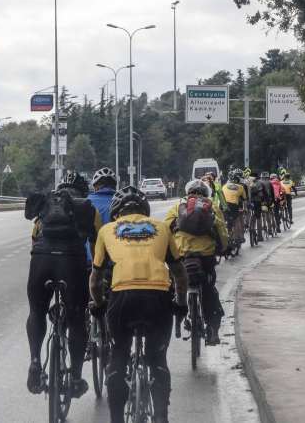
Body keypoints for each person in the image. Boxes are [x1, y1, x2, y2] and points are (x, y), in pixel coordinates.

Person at [89, 186, 188, 423]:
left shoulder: (106, 230)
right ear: (145, 210)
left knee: (119, 356)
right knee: (157, 359)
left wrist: (100, 303)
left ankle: (116, 419)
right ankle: (161, 417)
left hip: (122, 298)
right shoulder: (161, 227)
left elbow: (95, 279)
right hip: (157, 297)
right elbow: (180, 274)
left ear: (116, 212)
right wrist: (181, 304)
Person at [24, 172, 102, 398]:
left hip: (41, 260)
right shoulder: (87, 207)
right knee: (77, 319)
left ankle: (35, 362)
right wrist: (98, 272)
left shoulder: (46, 206)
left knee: (36, 312)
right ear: (83, 191)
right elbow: (98, 246)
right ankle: (76, 378)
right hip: (71, 262)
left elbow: (34, 237)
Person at [164, 179, 228, 345]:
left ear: (188, 193)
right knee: (208, 288)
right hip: (205, 257)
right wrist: (223, 249)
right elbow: (222, 233)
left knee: (174, 286)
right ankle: (213, 330)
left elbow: (164, 231)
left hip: (182, 255)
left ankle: (177, 317)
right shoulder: (212, 206)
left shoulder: (177, 208)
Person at [221, 169, 247, 244]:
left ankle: (227, 235)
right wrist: (245, 209)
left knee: (225, 220)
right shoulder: (241, 187)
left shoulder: (224, 186)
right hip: (234, 205)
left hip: (224, 205)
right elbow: (245, 200)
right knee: (236, 220)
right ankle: (237, 237)